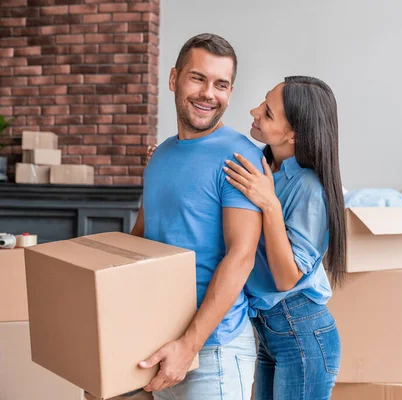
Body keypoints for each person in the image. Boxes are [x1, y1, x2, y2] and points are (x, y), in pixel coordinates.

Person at [130, 33, 263, 400]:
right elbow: (141, 241)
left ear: (230, 92)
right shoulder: (160, 156)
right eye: (197, 78)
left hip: (212, 350)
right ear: (174, 79)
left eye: (221, 84)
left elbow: (241, 257)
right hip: (158, 343)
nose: (209, 93)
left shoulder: (239, 157)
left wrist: (188, 345)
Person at [222, 76, 346, 400]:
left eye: (267, 112)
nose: (253, 111)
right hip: (270, 331)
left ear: (293, 134)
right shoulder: (262, 170)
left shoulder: (309, 190)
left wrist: (270, 204)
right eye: (262, 103)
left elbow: (286, 278)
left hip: (301, 332)